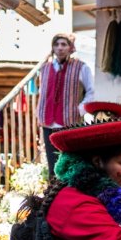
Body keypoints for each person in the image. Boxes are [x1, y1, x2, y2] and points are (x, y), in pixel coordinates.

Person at [38, 33, 95, 176]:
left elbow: (91, 92)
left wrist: (79, 110)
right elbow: (43, 92)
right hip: (48, 123)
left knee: (69, 163)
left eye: (64, 44)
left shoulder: (81, 68)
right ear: (52, 48)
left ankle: (69, 193)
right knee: (52, 163)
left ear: (70, 48)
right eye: (56, 45)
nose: (60, 48)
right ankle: (53, 195)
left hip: (69, 123)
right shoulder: (45, 68)